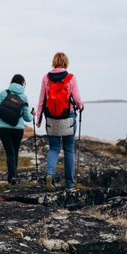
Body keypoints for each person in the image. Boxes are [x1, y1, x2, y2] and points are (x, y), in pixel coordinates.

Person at [36, 52, 84, 191]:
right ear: (65, 63)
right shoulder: (71, 78)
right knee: (69, 150)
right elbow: (77, 99)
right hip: (68, 117)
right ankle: (70, 184)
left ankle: (50, 174)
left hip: (51, 119)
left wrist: (38, 119)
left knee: (54, 148)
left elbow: (41, 101)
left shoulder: (46, 78)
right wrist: (81, 107)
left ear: (54, 62)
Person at [0, 74, 32, 185]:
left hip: (3, 128)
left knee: (10, 153)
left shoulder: (3, 93)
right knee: (15, 151)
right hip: (18, 129)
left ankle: (12, 177)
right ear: (23, 83)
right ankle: (14, 177)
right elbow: (27, 118)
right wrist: (33, 116)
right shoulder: (24, 97)